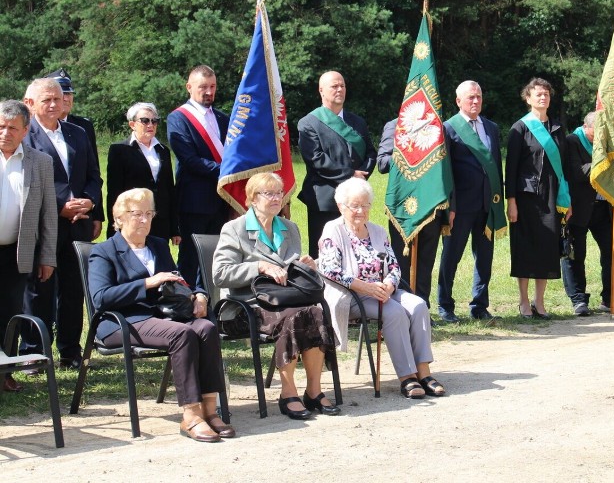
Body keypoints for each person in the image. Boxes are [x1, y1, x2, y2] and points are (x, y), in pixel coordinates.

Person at [88, 188, 234, 442]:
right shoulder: (104, 251)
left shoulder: (156, 245)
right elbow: (100, 298)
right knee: (182, 333)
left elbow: (178, 281)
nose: (144, 220)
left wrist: (199, 295)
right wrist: (147, 283)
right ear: (119, 218)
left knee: (206, 328)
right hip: (121, 321)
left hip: (162, 317)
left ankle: (211, 410)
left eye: (149, 213)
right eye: (136, 214)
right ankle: (191, 415)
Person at [212, 172, 340, 418]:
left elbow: (291, 271)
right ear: (252, 198)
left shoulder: (289, 228)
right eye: (268, 193)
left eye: (279, 193)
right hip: (246, 305)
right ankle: (287, 393)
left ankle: (313, 391)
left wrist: (306, 267)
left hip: (286, 299)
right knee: (295, 316)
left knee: (315, 311)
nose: (276, 198)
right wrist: (258, 267)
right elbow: (220, 274)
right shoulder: (234, 229)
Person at [318, 177, 444, 399]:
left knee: (418, 305)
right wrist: (365, 288)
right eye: (354, 206)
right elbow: (330, 270)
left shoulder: (377, 231)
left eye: (365, 205)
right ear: (341, 206)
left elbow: (394, 266)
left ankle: (424, 372)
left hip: (383, 291)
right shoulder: (333, 230)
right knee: (394, 313)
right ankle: (407, 377)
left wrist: (389, 284)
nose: (360, 211)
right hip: (353, 296)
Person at [21, 78, 103, 369]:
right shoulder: (24, 136)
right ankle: (33, 352)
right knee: (39, 289)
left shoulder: (77, 133)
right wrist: (59, 207)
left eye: (58, 98)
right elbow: (24, 183)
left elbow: (94, 175)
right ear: (29, 103)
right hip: (43, 226)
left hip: (78, 224)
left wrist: (90, 202)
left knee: (73, 289)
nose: (55, 104)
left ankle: (70, 351)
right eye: (47, 100)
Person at [0, 100, 57, 392]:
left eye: (12, 128)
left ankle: (5, 373)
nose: (5, 133)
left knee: (10, 313)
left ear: (25, 131)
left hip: (16, 251)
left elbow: (48, 214)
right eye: (0, 126)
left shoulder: (40, 162)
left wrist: (47, 256)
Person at [437, 80, 505, 323]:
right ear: (458, 101)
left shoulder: (492, 128)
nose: (475, 101)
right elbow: (445, 172)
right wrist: (450, 206)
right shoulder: (448, 128)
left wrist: (499, 202)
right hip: (461, 206)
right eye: (470, 98)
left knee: (484, 257)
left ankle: (479, 305)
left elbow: (496, 166)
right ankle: (445, 305)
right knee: (451, 257)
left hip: (487, 204)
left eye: (478, 97)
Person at [505, 78, 571, 319]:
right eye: (538, 94)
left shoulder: (557, 127)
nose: (543, 98)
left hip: (552, 196)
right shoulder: (519, 128)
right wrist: (510, 201)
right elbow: (510, 168)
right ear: (528, 98)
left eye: (546, 94)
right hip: (525, 198)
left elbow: (563, 167)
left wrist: (567, 199)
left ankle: (539, 302)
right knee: (524, 247)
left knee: (546, 248)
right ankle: (523, 301)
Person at [297, 71, 377, 258]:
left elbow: (371, 153)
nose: (339, 89)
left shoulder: (357, 122)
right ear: (321, 90)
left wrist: (361, 176)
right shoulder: (308, 123)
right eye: (334, 86)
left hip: (356, 199)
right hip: (324, 199)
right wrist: (351, 175)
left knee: (355, 250)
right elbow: (316, 159)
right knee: (324, 252)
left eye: (342, 85)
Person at [167, 65, 230, 288]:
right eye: (203, 87)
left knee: (218, 255)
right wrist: (226, 170)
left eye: (212, 87)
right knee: (191, 259)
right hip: (194, 201)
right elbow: (189, 159)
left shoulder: (224, 118)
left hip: (222, 199)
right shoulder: (178, 118)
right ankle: (186, 304)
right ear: (189, 87)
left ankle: (213, 303)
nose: (209, 92)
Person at [563, 111, 614, 316]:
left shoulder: (608, 142)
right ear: (585, 127)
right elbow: (575, 171)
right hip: (579, 208)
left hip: (604, 208)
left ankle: (610, 298)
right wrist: (603, 164)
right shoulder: (572, 141)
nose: (598, 139)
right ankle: (578, 299)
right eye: (594, 135)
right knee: (575, 255)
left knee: (613, 253)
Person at [376, 117, 442, 306]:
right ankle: (402, 305)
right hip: (403, 207)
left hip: (431, 205)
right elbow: (382, 163)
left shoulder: (436, 127)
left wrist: (450, 206)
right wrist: (410, 154)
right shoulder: (394, 126)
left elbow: (446, 168)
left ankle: (422, 306)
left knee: (426, 261)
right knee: (401, 261)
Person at [107, 103, 179, 244]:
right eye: (145, 120)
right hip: (133, 219)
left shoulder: (163, 150)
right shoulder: (119, 150)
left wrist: (174, 228)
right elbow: (114, 191)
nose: (150, 125)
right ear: (132, 124)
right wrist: (115, 224)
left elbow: (169, 189)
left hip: (160, 221)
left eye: (154, 121)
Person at [46, 68, 103, 239]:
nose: (66, 98)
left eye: (69, 93)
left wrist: (95, 211)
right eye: (61, 93)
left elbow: (93, 171)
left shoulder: (83, 127)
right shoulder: (32, 130)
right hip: (52, 219)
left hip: (82, 216)